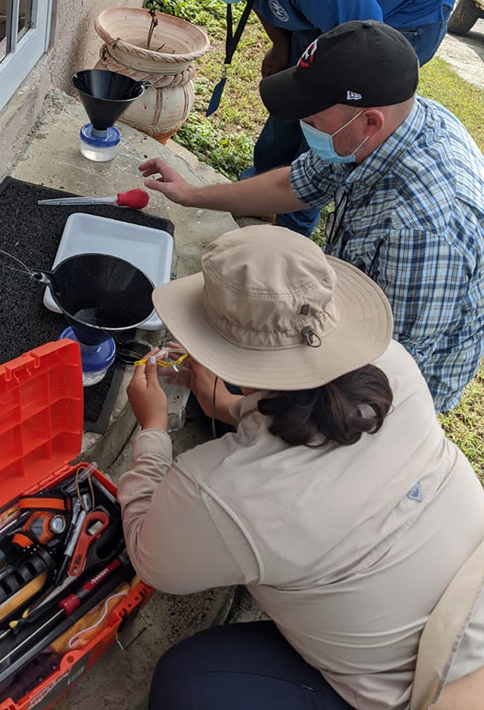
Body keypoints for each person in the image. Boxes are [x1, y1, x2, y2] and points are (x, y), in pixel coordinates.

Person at [118, 226, 484, 710]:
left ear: (227, 357)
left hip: (424, 690)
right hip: (474, 586)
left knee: (190, 683)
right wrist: (230, 405)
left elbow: (151, 557)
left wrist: (153, 427)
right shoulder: (393, 363)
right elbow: (319, 416)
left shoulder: (224, 492)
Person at [138, 21, 484, 414]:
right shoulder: (383, 126)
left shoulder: (422, 231)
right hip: (351, 325)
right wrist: (191, 195)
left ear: (370, 121)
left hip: (389, 389)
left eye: (314, 120)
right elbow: (295, 186)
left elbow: (382, 379)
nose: (303, 126)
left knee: (220, 378)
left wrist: (235, 410)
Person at [186, 0, 459, 234]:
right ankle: (259, 189)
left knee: (334, 117)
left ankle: (291, 227)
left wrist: (322, 126)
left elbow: (362, 51)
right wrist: (282, 45)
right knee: (297, 91)